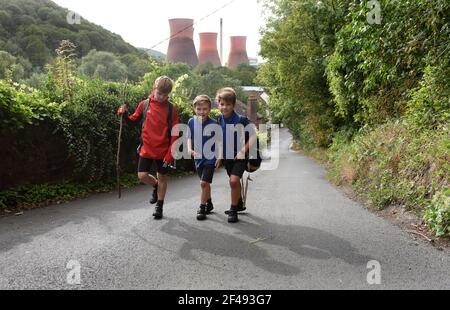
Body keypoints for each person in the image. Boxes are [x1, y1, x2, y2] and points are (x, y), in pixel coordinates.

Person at [117, 76, 179, 220]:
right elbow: (133, 121)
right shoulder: (144, 104)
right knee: (142, 176)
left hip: (164, 151)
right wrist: (124, 114)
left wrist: (171, 153)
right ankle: (155, 185)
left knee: (163, 176)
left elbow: (175, 132)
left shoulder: (171, 109)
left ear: (168, 94)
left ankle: (160, 206)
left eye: (165, 95)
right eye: (159, 93)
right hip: (146, 148)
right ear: (153, 89)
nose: (162, 97)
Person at [216, 87, 258, 223]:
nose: (225, 107)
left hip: (240, 157)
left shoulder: (241, 120)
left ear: (233, 105)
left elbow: (253, 136)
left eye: (228, 104)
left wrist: (243, 151)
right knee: (233, 182)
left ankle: (233, 209)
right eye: (222, 104)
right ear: (218, 104)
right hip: (227, 158)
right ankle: (238, 202)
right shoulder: (218, 120)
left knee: (234, 181)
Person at [187, 95, 222, 221]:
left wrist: (220, 156)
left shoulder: (214, 123)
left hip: (210, 158)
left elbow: (219, 142)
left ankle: (202, 207)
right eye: (199, 109)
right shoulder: (191, 122)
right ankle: (210, 202)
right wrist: (189, 149)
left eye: (205, 109)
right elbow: (189, 137)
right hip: (198, 158)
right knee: (205, 183)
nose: (202, 112)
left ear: (209, 109)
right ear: (194, 109)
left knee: (203, 183)